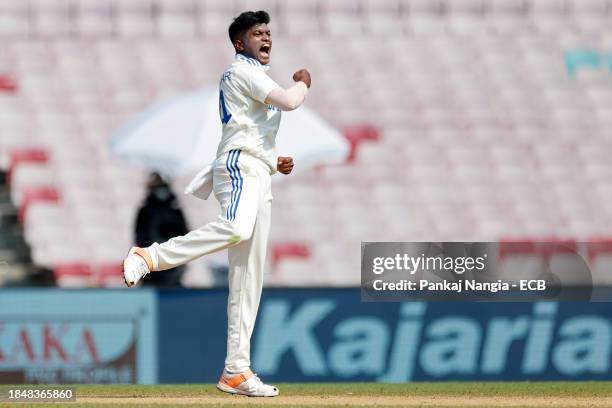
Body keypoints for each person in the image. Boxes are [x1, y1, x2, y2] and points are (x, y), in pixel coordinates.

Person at [122, 10, 311, 397]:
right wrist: (304, 83)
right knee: (237, 228)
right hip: (239, 168)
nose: (266, 37)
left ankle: (236, 371)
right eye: (257, 33)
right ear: (240, 43)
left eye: (268, 32)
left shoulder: (256, 77)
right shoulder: (241, 70)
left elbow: (249, 127)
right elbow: (291, 102)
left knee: (249, 276)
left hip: (259, 171)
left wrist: (274, 160)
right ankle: (150, 256)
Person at [134, 172, 189, 287]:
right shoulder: (145, 212)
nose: (161, 190)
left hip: (174, 269)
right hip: (153, 271)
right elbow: (140, 241)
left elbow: (185, 237)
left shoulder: (175, 211)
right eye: (157, 187)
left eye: (162, 186)